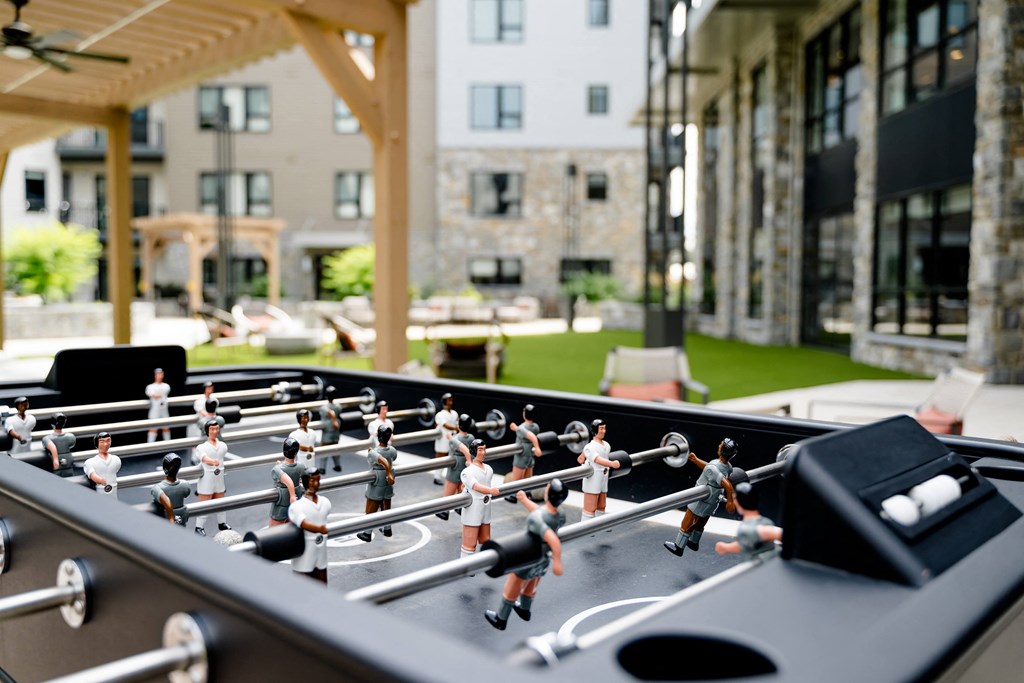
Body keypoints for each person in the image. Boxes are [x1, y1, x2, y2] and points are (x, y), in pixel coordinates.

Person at [485, 479, 568, 631]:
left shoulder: (536, 519)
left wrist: (558, 561)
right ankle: (524, 609)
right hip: (544, 558)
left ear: (548, 494)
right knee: (532, 584)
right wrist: (523, 499)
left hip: (529, 555)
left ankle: (501, 619)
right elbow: (541, 513)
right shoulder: (560, 515)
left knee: (512, 588)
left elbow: (551, 537)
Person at [664, 438, 739, 557]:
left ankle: (678, 546)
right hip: (714, 499)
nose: (719, 446)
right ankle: (693, 542)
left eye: (721, 445)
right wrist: (695, 460)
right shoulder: (727, 466)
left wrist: (730, 501)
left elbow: (727, 485)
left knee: (688, 522)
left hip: (702, 498)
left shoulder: (714, 468)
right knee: (701, 522)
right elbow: (709, 468)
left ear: (723, 450)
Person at [715, 482, 782, 560]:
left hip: (759, 566)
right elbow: (747, 542)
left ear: (737, 502)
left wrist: (727, 548)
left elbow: (744, 544)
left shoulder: (747, 529)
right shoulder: (766, 521)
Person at [288, 467, 332, 583]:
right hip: (304, 550)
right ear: (306, 482)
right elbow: (303, 523)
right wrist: (319, 529)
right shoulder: (297, 507)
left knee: (322, 582)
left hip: (321, 551)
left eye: (318, 480)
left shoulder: (325, 502)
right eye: (312, 480)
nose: (316, 483)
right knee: (304, 583)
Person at [356, 425, 397, 543]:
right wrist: (389, 473)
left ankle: (367, 533)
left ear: (379, 436)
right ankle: (387, 528)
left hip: (378, 480)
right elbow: (391, 458)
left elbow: (383, 460)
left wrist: (388, 471)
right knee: (386, 505)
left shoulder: (374, 452)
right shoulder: (393, 450)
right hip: (388, 483)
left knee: (371, 507)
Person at [459, 439, 500, 557]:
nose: (483, 452)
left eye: (484, 449)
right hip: (473, 509)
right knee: (469, 543)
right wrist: (491, 491)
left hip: (486, 509)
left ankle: (482, 562)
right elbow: (475, 486)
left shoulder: (489, 469)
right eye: (480, 450)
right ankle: (465, 566)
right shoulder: (467, 472)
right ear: (473, 451)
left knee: (485, 539)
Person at [193, 420, 231, 537]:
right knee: (205, 501)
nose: (215, 431)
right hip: (207, 477)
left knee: (221, 499)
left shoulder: (223, 446)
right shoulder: (202, 447)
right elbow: (203, 458)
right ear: (207, 431)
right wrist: (212, 461)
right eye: (212, 429)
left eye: (216, 429)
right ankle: (199, 526)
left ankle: (222, 523)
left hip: (219, 477)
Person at [577, 419, 621, 520]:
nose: (603, 431)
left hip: (604, 476)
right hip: (593, 477)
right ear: (595, 430)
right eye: (601, 428)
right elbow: (597, 459)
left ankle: (599, 525)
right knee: (590, 507)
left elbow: (580, 458)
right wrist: (612, 464)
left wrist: (582, 457)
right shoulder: (590, 447)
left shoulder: (606, 445)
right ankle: (585, 527)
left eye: (604, 428)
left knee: (602, 504)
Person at [436, 414, 475, 521]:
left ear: (459, 425)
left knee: (449, 489)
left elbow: (461, 447)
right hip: (464, 468)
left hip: (455, 466)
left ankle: (444, 511)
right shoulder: (471, 437)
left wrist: (450, 438)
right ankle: (460, 507)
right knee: (460, 488)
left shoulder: (455, 439)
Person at [505, 404, 542, 503]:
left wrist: (516, 428)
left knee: (516, 477)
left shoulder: (522, 428)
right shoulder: (536, 427)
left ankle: (513, 495)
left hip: (521, 454)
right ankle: (528, 493)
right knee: (527, 477)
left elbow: (531, 436)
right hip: (530, 455)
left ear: (525, 414)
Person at [270, 437, 305, 527]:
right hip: (297, 501)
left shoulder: (276, 470)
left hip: (281, 505)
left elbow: (288, 480)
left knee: (274, 532)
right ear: (296, 453)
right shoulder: (301, 466)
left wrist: (292, 496)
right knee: (294, 529)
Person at [151, 453, 192, 526]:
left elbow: (166, 502)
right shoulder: (185, 485)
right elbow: (186, 494)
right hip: (181, 520)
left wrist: (171, 518)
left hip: (166, 523)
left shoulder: (157, 488)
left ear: (164, 469)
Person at [83, 432, 121, 496]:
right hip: (99, 490)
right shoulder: (90, 462)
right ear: (96, 443)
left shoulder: (116, 459)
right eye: (102, 442)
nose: (105, 444)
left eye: (108, 441)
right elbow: (91, 474)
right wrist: (99, 480)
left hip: (113, 489)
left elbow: (116, 469)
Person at [432, 392, 458, 486]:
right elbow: (445, 425)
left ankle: (449, 477)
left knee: (451, 457)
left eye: (451, 399)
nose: (451, 402)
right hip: (443, 439)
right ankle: (437, 477)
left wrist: (457, 428)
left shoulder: (454, 413)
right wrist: (456, 428)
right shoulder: (440, 414)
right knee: (440, 457)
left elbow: (456, 423)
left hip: (452, 438)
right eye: (449, 400)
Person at [42, 412, 76, 477]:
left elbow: (51, 447)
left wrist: (55, 459)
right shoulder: (71, 437)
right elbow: (72, 445)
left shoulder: (46, 438)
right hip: (67, 463)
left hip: (58, 466)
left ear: (52, 424)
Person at [318, 386, 343, 473]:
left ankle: (322, 468)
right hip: (335, 432)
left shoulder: (324, 408)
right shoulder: (338, 407)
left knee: (324, 451)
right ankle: (337, 465)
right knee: (335, 450)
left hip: (327, 432)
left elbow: (323, 411)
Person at [146, 368, 171, 443]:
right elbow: (153, 395)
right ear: (155, 375)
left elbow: (163, 393)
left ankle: (168, 445)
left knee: (166, 428)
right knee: (153, 429)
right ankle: (149, 447)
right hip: (154, 411)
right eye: (157, 374)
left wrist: (158, 395)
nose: (159, 375)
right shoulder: (150, 387)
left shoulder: (166, 386)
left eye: (161, 374)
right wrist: (157, 395)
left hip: (164, 410)